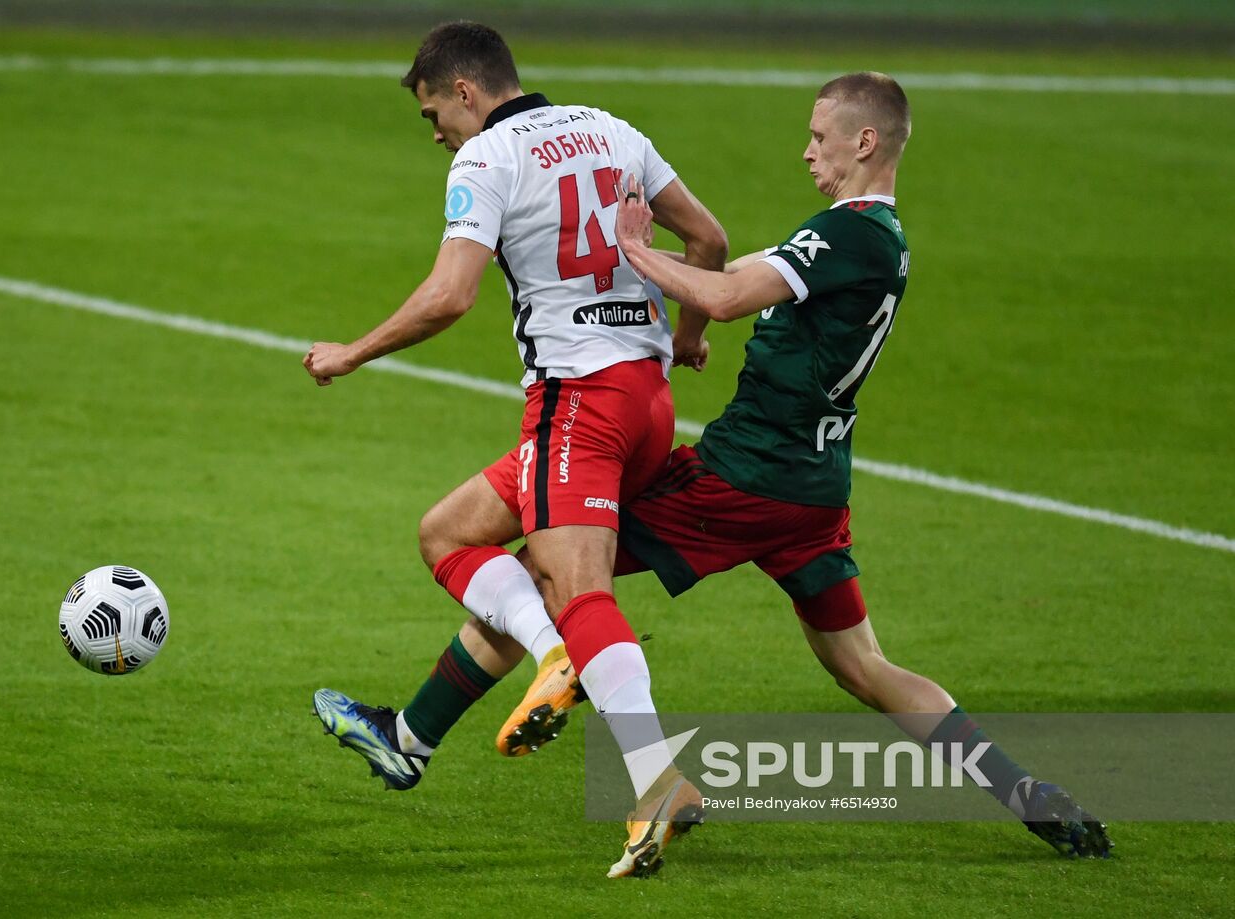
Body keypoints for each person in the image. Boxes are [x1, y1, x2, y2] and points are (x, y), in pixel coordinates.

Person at [367, 70, 1111, 861]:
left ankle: (520, 738)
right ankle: (1026, 791)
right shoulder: (869, 241)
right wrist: (679, 314)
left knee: (555, 575)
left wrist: (631, 253)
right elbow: (727, 263)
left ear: (866, 143)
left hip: (739, 479)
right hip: (816, 491)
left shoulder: (850, 233)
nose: (806, 153)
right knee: (864, 665)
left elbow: (724, 295)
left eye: (820, 138)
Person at [305, 21, 728, 878]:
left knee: (574, 591)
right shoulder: (614, 130)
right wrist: (685, 339)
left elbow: (451, 294)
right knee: (449, 532)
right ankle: (409, 739)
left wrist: (351, 351)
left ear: (467, 91)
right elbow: (709, 243)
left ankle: (651, 774)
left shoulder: (485, 161)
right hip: (647, 402)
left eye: (434, 114)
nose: (435, 135)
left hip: (576, 407)